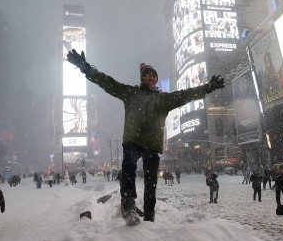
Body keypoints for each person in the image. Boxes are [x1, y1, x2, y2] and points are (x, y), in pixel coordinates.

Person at [67, 49, 225, 225]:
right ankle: (128, 205)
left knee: (151, 183)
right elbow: (107, 82)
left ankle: (150, 217)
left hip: (152, 144)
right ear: (142, 78)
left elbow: (185, 95)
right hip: (133, 140)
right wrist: (86, 68)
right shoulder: (130, 93)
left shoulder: (163, 99)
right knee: (128, 167)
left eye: (154, 76)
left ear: (156, 79)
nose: (151, 78)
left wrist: (207, 88)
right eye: (147, 75)